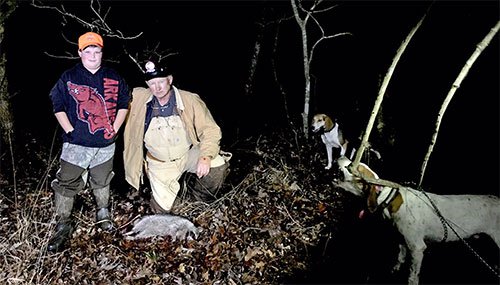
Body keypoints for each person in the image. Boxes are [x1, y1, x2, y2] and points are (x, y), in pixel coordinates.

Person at [47, 31, 131, 252]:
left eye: (97, 51)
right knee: (66, 183)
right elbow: (57, 105)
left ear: (102, 53)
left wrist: (115, 127)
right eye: (88, 51)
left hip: (105, 144)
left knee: (102, 180)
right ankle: (63, 224)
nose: (93, 55)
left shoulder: (114, 76)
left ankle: (102, 214)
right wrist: (70, 130)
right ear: (80, 53)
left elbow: (124, 103)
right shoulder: (69, 77)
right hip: (76, 145)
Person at [123, 60, 230, 214]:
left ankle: (199, 203)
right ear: (147, 84)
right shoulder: (138, 99)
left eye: (161, 81)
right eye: (152, 83)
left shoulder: (190, 100)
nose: (157, 87)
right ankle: (169, 200)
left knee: (217, 164)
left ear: (170, 80)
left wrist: (205, 156)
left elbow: (210, 130)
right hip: (160, 164)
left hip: (187, 155)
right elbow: (113, 95)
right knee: (163, 211)